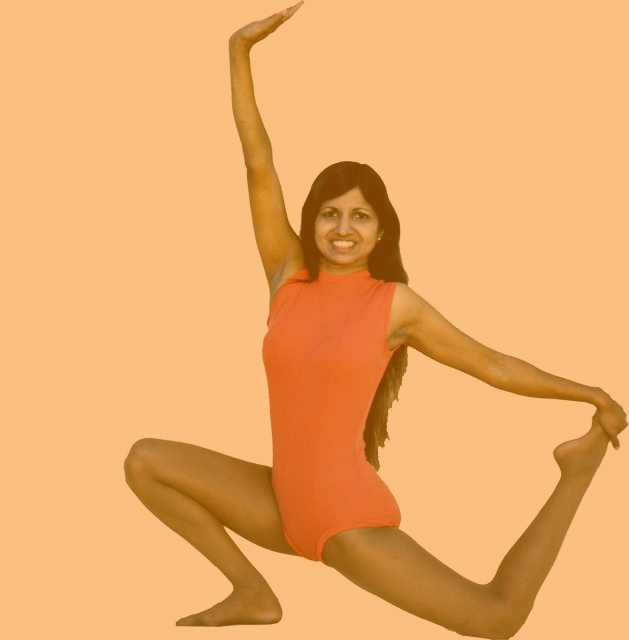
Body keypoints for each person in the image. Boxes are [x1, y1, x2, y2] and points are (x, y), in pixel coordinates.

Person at [123, 2, 627, 635]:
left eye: (360, 216)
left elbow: (493, 365)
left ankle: (578, 470)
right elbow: (258, 163)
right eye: (330, 213)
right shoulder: (287, 276)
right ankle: (252, 590)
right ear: (311, 221)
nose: (343, 228)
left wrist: (588, 392)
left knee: (496, 618)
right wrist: (238, 52)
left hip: (344, 517)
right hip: (282, 504)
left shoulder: (394, 304)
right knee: (145, 460)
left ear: (381, 230)